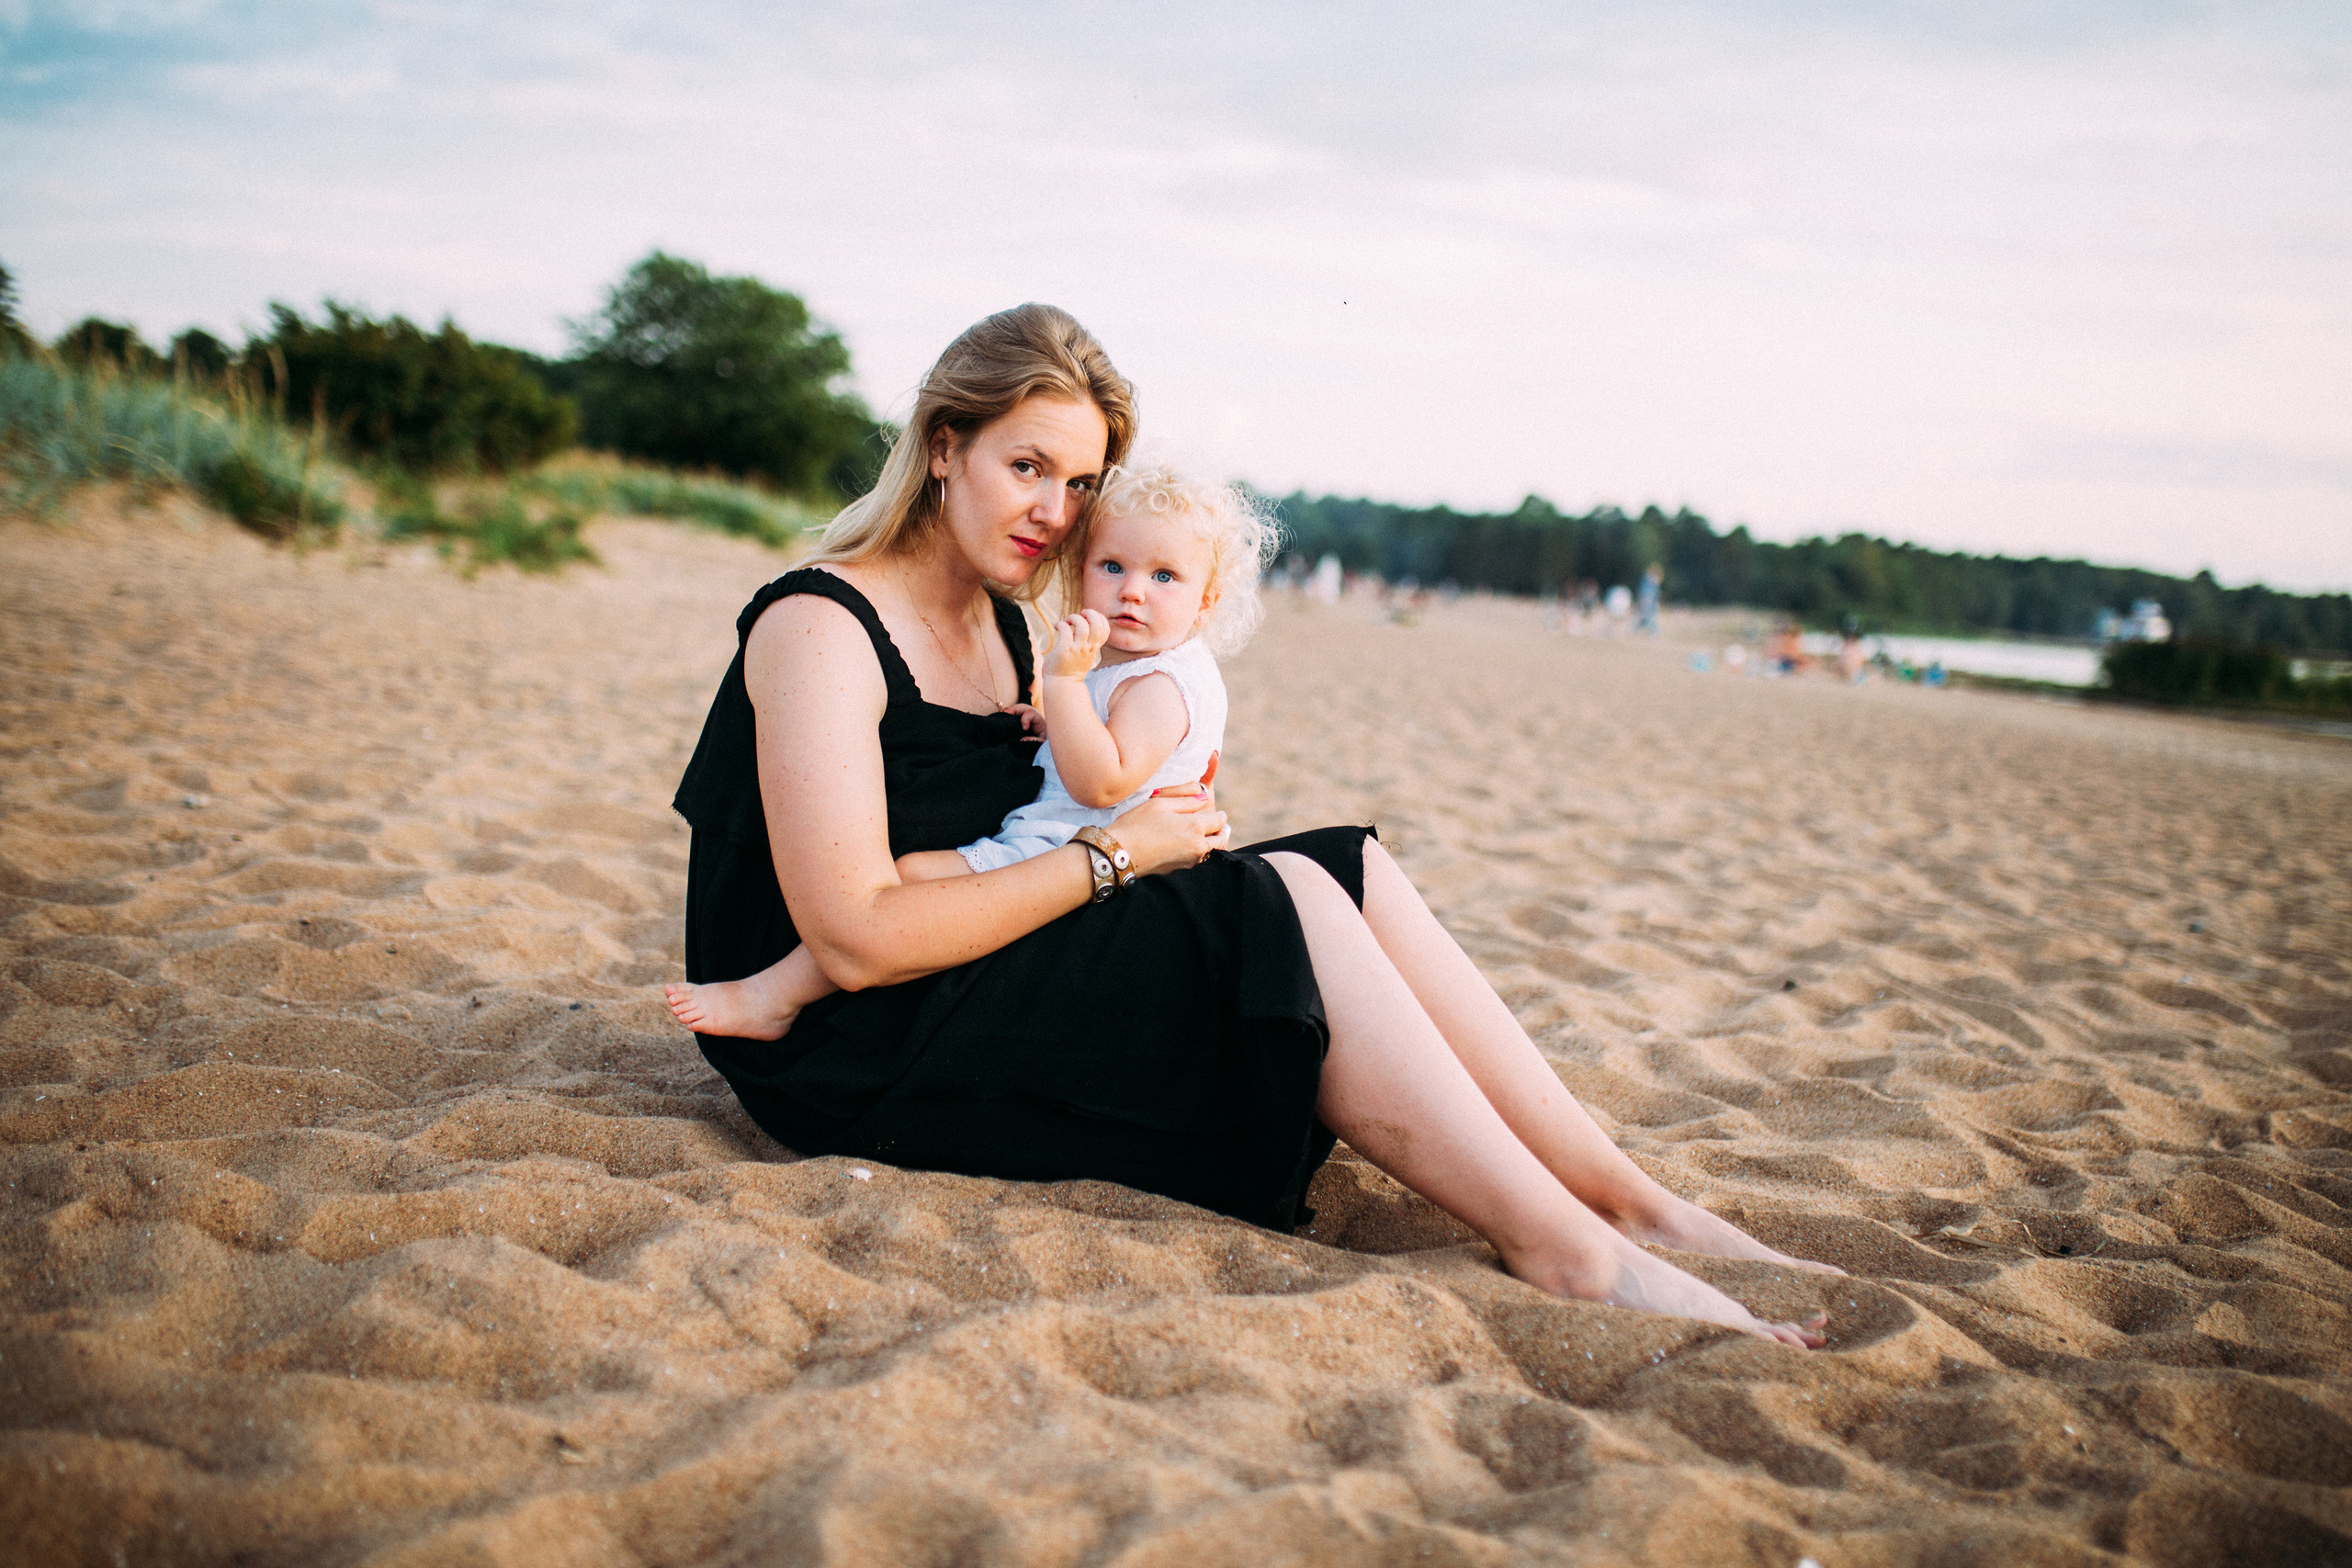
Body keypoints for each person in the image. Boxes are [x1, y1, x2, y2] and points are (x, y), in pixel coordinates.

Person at [671, 302, 1837, 1346]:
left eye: (1079, 486)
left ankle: (1626, 1200)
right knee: (1267, 904)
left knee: (1346, 865)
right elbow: (858, 938)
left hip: (978, 955)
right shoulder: (822, 624)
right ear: (942, 447)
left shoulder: (1008, 628)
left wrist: (1134, 828)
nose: (1055, 512)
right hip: (849, 1037)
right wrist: (1121, 855)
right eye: (1027, 465)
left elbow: (1059, 800)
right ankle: (1568, 1253)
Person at [664, 461, 1261, 1043]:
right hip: (1070, 837)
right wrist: (1053, 722)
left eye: (1164, 577)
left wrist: (1062, 685)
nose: (1132, 591)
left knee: (910, 881)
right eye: (1112, 566)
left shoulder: (1162, 683)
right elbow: (1094, 745)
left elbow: (1102, 781)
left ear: (1205, 601)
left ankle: (775, 995)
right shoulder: (1128, 666)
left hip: (1073, 844)